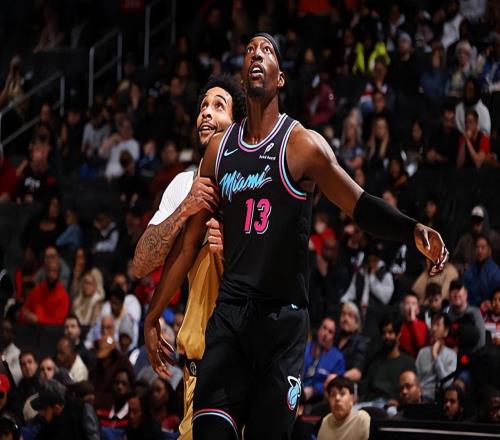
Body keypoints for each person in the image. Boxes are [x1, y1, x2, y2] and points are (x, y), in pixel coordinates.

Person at [145, 34, 447, 439]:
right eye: (249, 50)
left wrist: (411, 229)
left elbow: (358, 204)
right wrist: (153, 314)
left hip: (281, 323)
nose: (256, 54)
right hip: (230, 318)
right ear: (243, 75)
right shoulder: (218, 151)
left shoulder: (301, 145)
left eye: (266, 50)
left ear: (280, 78)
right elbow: (187, 245)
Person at [132, 74, 246, 440]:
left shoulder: (254, 181)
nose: (206, 113)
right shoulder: (184, 183)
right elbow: (141, 264)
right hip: (197, 372)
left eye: (218, 106)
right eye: (202, 107)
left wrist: (231, 250)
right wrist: (185, 208)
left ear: (238, 123)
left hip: (244, 364)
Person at [363, 315, 416, 402]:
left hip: (393, 405)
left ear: (398, 335)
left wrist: (399, 402)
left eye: (390, 332)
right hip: (371, 402)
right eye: (383, 333)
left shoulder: (408, 363)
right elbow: (366, 388)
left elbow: (411, 391)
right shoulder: (375, 361)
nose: (386, 336)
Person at [303, 317, 345, 404]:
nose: (325, 333)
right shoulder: (305, 347)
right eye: (324, 328)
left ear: (334, 337)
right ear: (319, 329)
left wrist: (314, 390)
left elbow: (336, 384)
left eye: (330, 332)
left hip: (319, 401)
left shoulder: (338, 358)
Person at [416, 313, 457, 401]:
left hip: (439, 400)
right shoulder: (422, 352)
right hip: (421, 398)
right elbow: (416, 379)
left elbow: (446, 384)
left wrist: (435, 357)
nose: (433, 329)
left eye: (438, 325)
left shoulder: (451, 355)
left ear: (446, 331)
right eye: (432, 324)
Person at [444, 279, 486, 356]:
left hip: (472, 356)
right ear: (449, 295)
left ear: (466, 294)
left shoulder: (475, 313)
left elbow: (481, 342)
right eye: (453, 291)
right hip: (448, 356)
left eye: (459, 290)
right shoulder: (446, 313)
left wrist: (460, 351)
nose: (456, 294)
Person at [21, 260, 70, 325]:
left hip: (52, 330)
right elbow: (25, 312)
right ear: (45, 272)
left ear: (59, 274)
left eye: (54, 271)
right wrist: (25, 316)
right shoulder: (36, 290)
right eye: (48, 271)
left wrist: (37, 320)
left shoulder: (63, 295)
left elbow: (59, 321)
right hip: (32, 328)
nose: (51, 274)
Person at [463, 235, 500, 308]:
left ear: (489, 250)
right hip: (469, 308)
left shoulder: (496, 272)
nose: (479, 251)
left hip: (489, 310)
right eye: (477, 247)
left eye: (483, 247)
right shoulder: (468, 271)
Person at [336, 302, 368, 382]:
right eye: (343, 314)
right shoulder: (335, 338)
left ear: (357, 323)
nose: (345, 318)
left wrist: (335, 379)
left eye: (350, 315)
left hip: (345, 383)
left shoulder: (360, 342)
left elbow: (357, 373)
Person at [399, 292, 428, 358]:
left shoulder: (422, 325)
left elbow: (420, 345)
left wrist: (413, 321)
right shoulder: (399, 325)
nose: (410, 307)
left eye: (413, 304)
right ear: (403, 308)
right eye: (407, 303)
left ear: (418, 309)